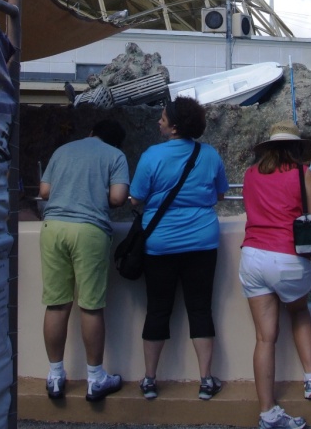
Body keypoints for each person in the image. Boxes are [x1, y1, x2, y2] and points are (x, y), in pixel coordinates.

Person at [130, 97, 228, 401]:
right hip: (202, 241)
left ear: (174, 127)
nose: (159, 121)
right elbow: (220, 194)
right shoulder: (209, 155)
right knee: (200, 308)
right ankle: (206, 380)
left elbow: (135, 198)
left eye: (162, 118)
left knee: (158, 308)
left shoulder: (151, 156)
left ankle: (149, 380)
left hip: (160, 244)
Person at [239, 120, 311, 429]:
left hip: (252, 256)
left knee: (264, 338)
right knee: (299, 311)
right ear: (295, 148)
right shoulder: (303, 174)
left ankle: (267, 413)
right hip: (288, 258)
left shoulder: (249, 174)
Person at [40, 119, 130, 402]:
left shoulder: (63, 150)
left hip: (52, 228)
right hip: (89, 231)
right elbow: (118, 197)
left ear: (91, 133)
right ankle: (95, 379)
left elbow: (44, 192)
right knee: (90, 306)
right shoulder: (115, 156)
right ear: (115, 142)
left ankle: (55, 376)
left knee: (56, 304)